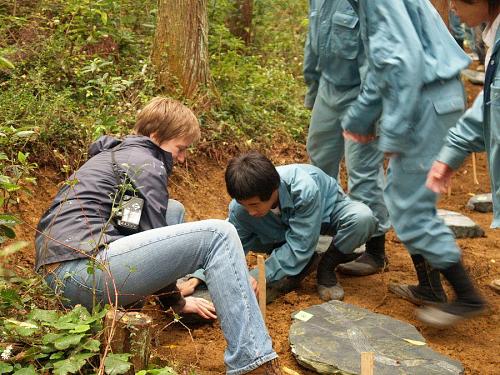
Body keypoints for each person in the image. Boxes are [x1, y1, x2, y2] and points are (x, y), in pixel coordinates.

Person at [35, 97, 281, 375]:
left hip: (64, 276)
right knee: (219, 234)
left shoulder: (123, 158)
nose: (183, 157)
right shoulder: (147, 164)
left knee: (171, 210)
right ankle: (253, 362)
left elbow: (129, 227)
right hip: (82, 274)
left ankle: (126, 313)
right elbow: (149, 234)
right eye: (180, 148)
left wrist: (173, 301)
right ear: (156, 137)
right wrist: (177, 300)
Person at [342, 0, 485, 327]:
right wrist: (362, 119)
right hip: (428, 99)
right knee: (402, 196)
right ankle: (430, 286)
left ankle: (467, 296)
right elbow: (383, 72)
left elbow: (402, 66)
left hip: (428, 102)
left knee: (410, 204)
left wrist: (393, 135)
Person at [303, 0, 390, 276]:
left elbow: (375, 54)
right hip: (329, 88)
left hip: (362, 92)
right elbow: (313, 42)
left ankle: (376, 251)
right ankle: (332, 230)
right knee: (319, 159)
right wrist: (312, 88)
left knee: (363, 170)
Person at [221, 151, 377, 301]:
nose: (251, 212)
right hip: (287, 229)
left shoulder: (303, 189)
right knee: (238, 226)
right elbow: (230, 245)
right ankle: (305, 262)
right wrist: (201, 276)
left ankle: (326, 266)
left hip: (326, 216)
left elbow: (300, 245)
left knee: (362, 219)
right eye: (244, 205)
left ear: (273, 190)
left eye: (254, 205)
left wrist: (257, 276)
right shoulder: (241, 207)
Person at [426, 0, 500, 314]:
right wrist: (449, 155)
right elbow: (490, 105)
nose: (451, 6)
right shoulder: (492, 39)